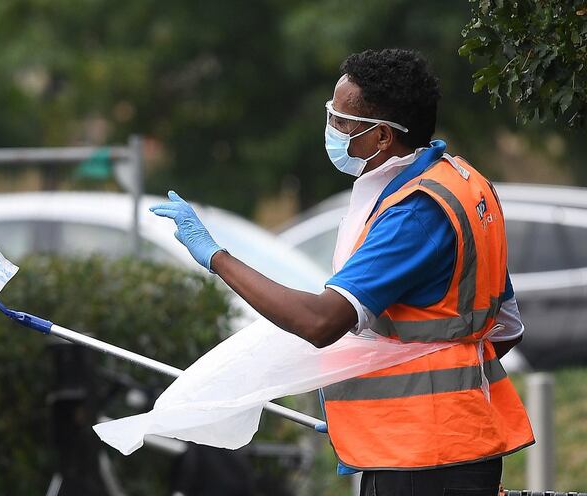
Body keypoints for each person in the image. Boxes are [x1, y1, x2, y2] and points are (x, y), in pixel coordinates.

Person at [150, 48, 534, 495]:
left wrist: (217, 256)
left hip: (422, 460)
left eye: (344, 122)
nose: (332, 129)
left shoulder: (414, 213)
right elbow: (504, 328)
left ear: (383, 138)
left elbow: (321, 322)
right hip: (445, 448)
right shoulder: (464, 185)